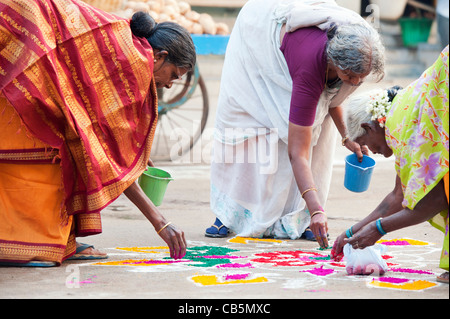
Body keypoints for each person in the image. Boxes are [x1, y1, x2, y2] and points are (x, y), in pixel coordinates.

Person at [0, 0, 195, 266]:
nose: (170, 85)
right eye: (173, 75)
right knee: (67, 153)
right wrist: (160, 222)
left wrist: (133, 157)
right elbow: (108, 159)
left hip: (25, 27)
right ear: (159, 56)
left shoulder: (127, 40)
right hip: (22, 51)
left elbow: (109, 140)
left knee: (79, 148)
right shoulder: (134, 65)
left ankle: (60, 240)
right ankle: (29, 244)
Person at [205, 0, 383, 248]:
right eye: (350, 76)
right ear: (333, 62)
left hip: (300, 43)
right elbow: (297, 153)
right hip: (257, 41)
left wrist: (347, 136)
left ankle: (299, 219)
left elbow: (332, 98)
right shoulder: (311, 65)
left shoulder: (360, 49)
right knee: (256, 131)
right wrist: (317, 210)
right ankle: (232, 214)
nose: (354, 83)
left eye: (360, 77)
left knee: (317, 134)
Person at [331, 46, 449, 283]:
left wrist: (379, 230)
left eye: (367, 144)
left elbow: (436, 198)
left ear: (369, 127)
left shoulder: (399, 125)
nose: (376, 153)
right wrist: (354, 231)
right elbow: (399, 195)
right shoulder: (404, 112)